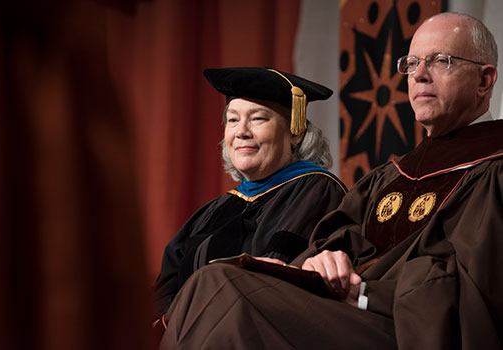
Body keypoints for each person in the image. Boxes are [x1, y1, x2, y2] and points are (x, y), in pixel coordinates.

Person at [160, 12, 503, 349]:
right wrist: (321, 260)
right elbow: (333, 242)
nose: (419, 75)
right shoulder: (388, 177)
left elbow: (476, 290)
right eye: (411, 63)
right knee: (212, 286)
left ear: (485, 80)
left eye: (440, 61)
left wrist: (367, 292)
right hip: (346, 316)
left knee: (222, 286)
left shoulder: (495, 173)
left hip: (404, 327)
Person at [153, 67, 348, 323]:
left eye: (257, 119)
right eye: (233, 120)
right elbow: (166, 286)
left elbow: (271, 277)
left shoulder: (314, 189)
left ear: (295, 132)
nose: (241, 131)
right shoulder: (215, 209)